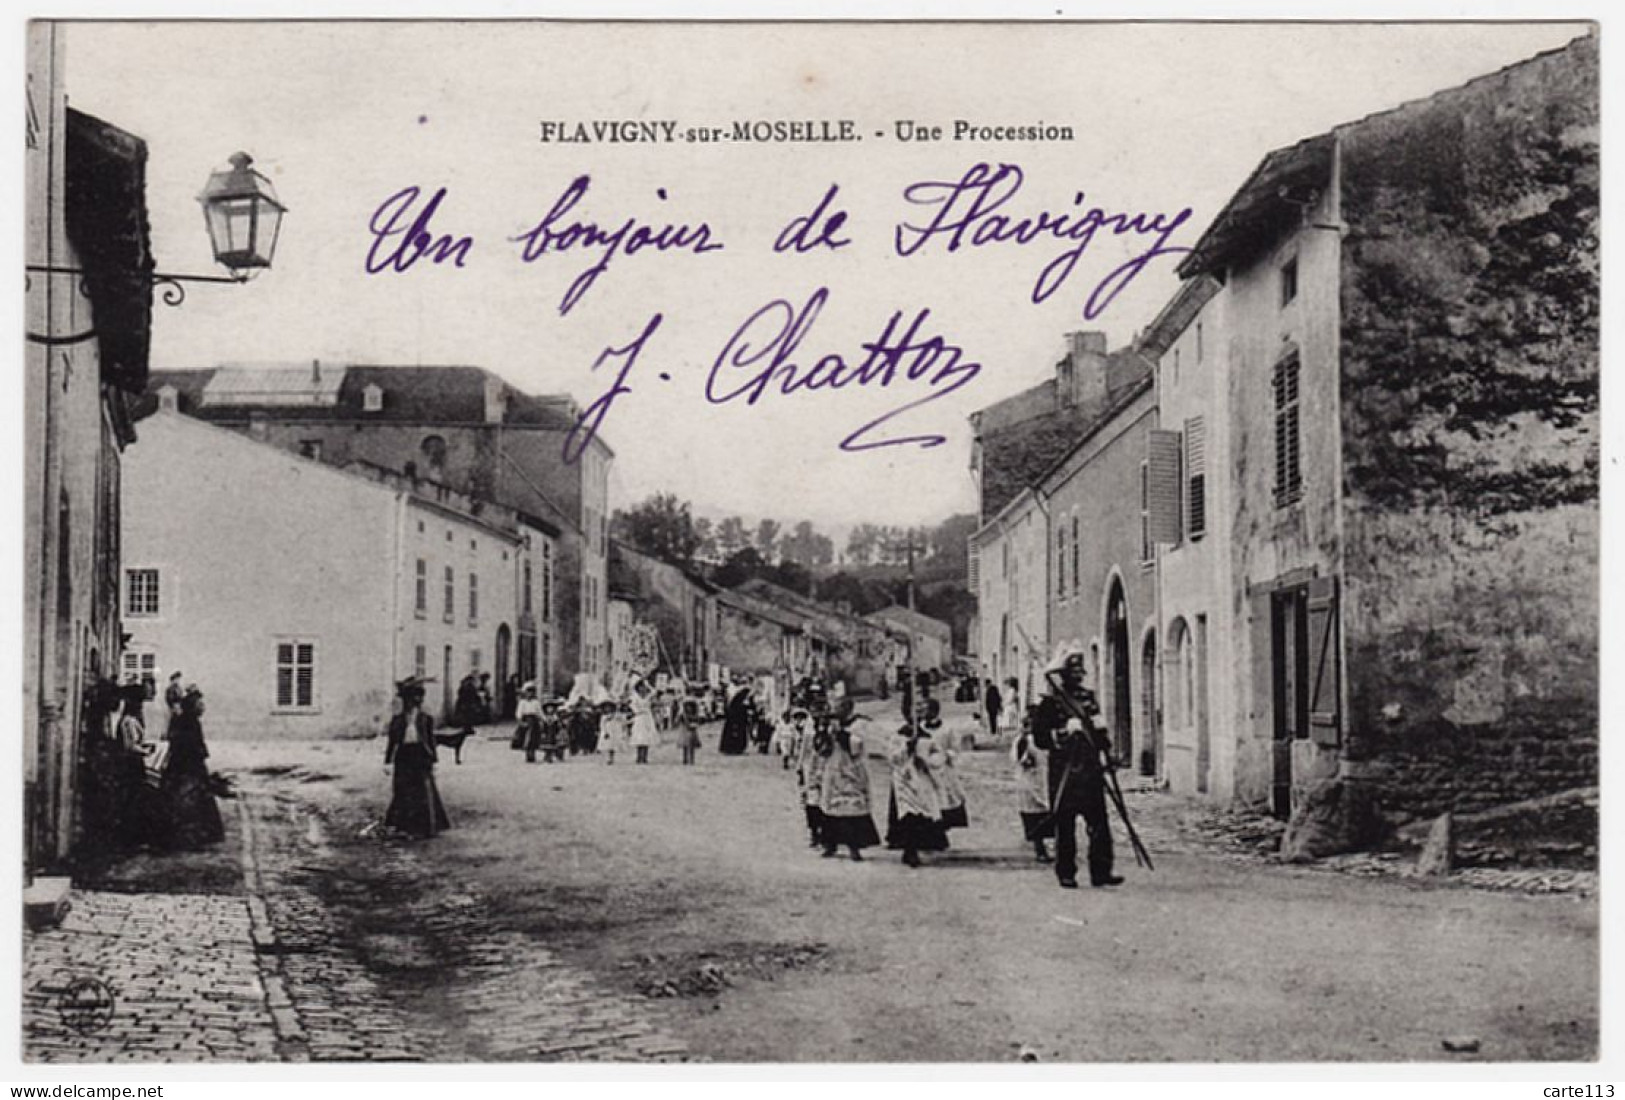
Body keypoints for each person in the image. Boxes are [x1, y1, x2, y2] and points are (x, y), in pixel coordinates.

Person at [1030, 647, 1122, 889]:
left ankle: (1101, 871)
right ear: (1063, 674)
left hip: (1090, 768)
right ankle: (1066, 872)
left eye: (1080, 671)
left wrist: (1104, 741)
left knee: (1099, 822)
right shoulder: (1050, 704)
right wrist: (1062, 732)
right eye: (1073, 671)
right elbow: (1039, 738)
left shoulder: (1087, 698)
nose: (1078, 675)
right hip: (1065, 770)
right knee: (1065, 823)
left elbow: (1100, 733)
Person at [384, 677, 451, 839]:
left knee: (423, 791)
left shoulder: (425, 719)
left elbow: (430, 741)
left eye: (416, 700)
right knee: (402, 790)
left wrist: (434, 760)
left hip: (420, 755)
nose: (413, 704)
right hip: (403, 756)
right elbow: (392, 742)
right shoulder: (398, 720)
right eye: (410, 701)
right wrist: (387, 761)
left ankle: (425, 827)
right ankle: (403, 825)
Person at [885, 708, 949, 868]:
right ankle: (909, 850)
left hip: (922, 781)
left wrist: (927, 761)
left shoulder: (927, 738)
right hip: (904, 781)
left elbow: (939, 756)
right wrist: (907, 747)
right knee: (907, 815)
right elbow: (892, 758)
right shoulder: (897, 737)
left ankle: (921, 844)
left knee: (922, 815)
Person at [164, 685, 225, 850]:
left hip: (187, 766)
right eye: (199, 704)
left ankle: (190, 836)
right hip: (188, 768)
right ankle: (190, 837)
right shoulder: (189, 722)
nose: (202, 707)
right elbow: (189, 746)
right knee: (190, 802)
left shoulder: (187, 720)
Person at [818, 717, 881, 861]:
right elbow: (822, 749)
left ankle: (854, 847)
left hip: (851, 770)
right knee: (831, 809)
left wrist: (842, 734)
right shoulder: (830, 724)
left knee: (852, 810)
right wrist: (824, 735)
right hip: (834, 770)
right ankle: (830, 844)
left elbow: (856, 746)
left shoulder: (858, 724)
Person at [1011, 711, 1054, 863]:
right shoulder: (1023, 741)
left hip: (1045, 780)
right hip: (1029, 783)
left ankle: (1050, 847)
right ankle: (1040, 849)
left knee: (1050, 814)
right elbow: (1019, 759)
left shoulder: (1045, 739)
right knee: (1035, 816)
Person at [795, 710, 829, 849]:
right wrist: (799, 767)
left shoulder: (831, 734)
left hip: (828, 770)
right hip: (810, 769)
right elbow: (804, 750)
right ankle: (814, 832)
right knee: (812, 802)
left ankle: (826, 833)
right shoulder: (809, 732)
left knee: (826, 803)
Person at [628, 681, 658, 764]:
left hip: (647, 718)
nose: (643, 689)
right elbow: (633, 706)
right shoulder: (635, 697)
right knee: (639, 737)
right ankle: (639, 756)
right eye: (641, 687)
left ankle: (645, 757)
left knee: (647, 737)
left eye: (644, 687)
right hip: (639, 717)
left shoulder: (648, 697)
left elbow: (654, 691)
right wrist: (638, 711)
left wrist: (648, 684)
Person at [719, 683, 753, 755]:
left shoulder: (737, 700)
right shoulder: (739, 700)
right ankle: (735, 749)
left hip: (736, 722)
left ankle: (733, 748)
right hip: (737, 722)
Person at [513, 681, 541, 756]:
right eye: (528, 692)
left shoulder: (536, 702)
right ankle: (526, 748)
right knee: (525, 735)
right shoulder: (522, 702)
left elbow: (539, 712)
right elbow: (519, 712)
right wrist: (520, 721)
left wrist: (543, 719)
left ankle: (532, 750)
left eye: (531, 692)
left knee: (534, 735)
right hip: (526, 719)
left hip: (534, 720)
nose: (529, 694)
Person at [536, 697, 567, 763]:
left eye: (551, 708)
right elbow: (543, 726)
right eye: (548, 708)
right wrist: (542, 732)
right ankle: (547, 756)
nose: (550, 710)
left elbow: (558, 726)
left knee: (554, 744)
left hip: (553, 733)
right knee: (547, 745)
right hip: (547, 733)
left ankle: (555, 755)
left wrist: (558, 732)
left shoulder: (555, 718)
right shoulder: (544, 718)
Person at [676, 698, 702, 765]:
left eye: (690, 706)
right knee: (685, 746)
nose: (689, 708)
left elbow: (698, 721)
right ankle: (685, 759)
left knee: (691, 746)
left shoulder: (695, 715)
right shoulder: (682, 715)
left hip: (692, 731)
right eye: (687, 706)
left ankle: (691, 759)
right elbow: (677, 721)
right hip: (684, 731)